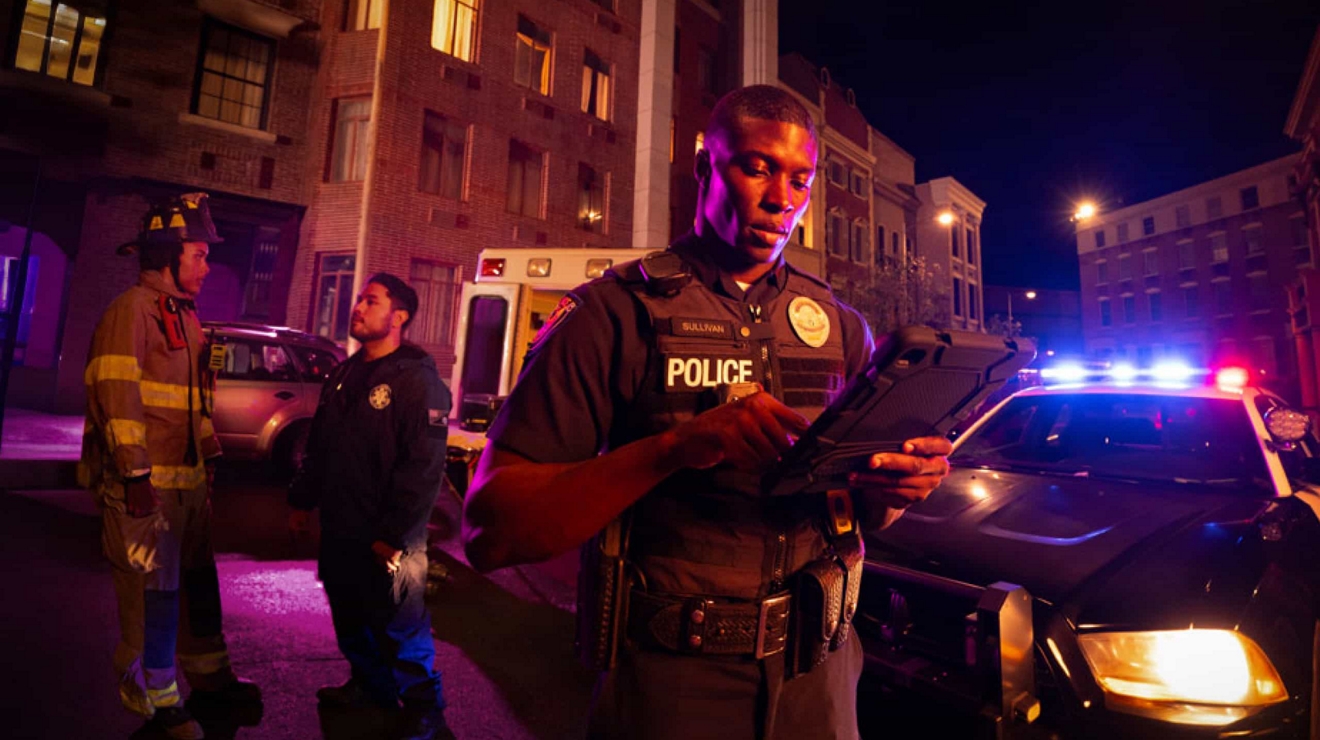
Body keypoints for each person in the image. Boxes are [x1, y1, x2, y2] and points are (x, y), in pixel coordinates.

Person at [462, 85, 954, 739]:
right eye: (756, 168)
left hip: (822, 679)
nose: (782, 199)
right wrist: (673, 449)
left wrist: (898, 486)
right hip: (674, 684)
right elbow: (492, 530)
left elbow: (865, 513)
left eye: (800, 180)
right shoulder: (613, 315)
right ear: (704, 168)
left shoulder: (842, 328)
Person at [81, 193, 261, 740]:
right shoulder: (130, 311)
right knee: (152, 598)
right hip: (147, 491)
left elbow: (193, 406)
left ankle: (210, 683)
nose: (208, 266)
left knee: (198, 589)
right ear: (167, 256)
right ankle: (157, 702)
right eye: (200, 254)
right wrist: (135, 477)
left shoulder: (185, 317)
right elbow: (117, 396)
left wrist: (209, 463)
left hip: (184, 489)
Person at [288, 273, 453, 740]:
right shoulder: (344, 373)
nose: (357, 306)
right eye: (359, 298)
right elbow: (320, 445)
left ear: (398, 317)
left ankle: (424, 708)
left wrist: (394, 536)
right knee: (350, 615)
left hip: (391, 539)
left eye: (370, 300)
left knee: (402, 626)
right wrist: (302, 500)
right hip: (343, 528)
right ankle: (370, 686)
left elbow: (422, 470)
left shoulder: (419, 383)